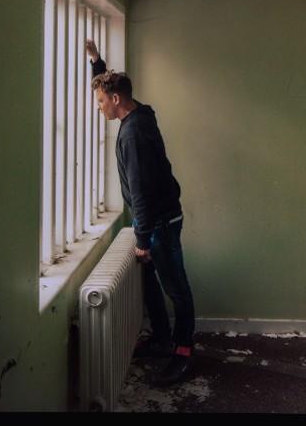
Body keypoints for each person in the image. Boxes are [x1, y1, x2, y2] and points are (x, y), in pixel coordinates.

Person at [85, 40, 195, 387]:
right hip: (159, 218)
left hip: (160, 221)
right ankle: (162, 338)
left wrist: (144, 238)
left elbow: (142, 191)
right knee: (150, 282)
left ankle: (183, 352)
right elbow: (114, 86)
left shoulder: (133, 135)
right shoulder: (141, 112)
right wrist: (97, 64)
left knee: (175, 287)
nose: (99, 108)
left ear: (116, 100)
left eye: (101, 102)